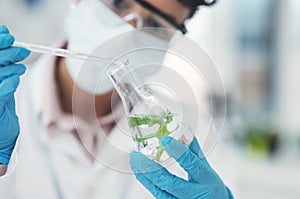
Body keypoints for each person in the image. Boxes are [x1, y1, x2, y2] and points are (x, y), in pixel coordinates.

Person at [0, 0, 234, 198]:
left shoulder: (191, 132)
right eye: (119, 2)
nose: (127, 31)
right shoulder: (6, 108)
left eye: (154, 25)